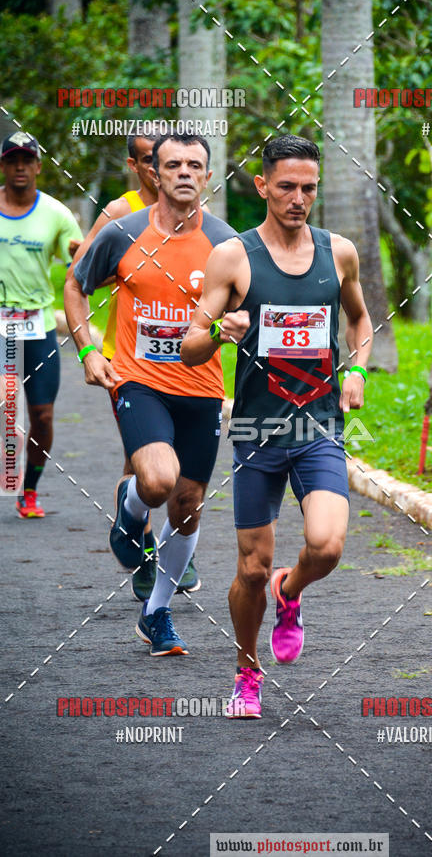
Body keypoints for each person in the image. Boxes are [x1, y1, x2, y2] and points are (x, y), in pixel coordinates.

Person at [181, 133, 373, 718]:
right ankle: (246, 668)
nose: (297, 198)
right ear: (262, 185)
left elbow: (361, 321)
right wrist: (220, 332)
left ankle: (291, 593)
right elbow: (189, 345)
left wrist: (358, 369)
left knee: (328, 544)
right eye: (286, 186)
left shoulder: (338, 252)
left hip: (319, 425)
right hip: (256, 431)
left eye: (308, 188)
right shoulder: (233, 257)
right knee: (250, 568)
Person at [64, 132, 236, 656]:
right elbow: (76, 285)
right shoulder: (123, 232)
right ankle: (133, 501)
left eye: (195, 165)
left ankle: (156, 613)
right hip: (139, 381)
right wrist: (90, 352)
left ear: (208, 177)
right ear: (154, 175)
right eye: (173, 165)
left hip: (203, 389)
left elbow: (255, 311)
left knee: (187, 506)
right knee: (158, 481)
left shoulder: (229, 245)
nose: (185, 172)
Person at [67, 132, 199, 600]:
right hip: (129, 364)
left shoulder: (206, 226)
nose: (157, 169)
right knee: (144, 461)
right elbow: (79, 275)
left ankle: (168, 526)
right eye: (150, 161)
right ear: (142, 166)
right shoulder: (122, 216)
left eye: (190, 164)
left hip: (192, 375)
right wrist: (88, 350)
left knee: (173, 475)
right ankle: (142, 545)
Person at [0, 131, 82, 518]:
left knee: (43, 415)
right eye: (12, 160)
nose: (20, 167)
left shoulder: (56, 214)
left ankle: (28, 490)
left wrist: (81, 261)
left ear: (37, 166)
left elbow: (77, 269)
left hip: (36, 327)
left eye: (26, 160)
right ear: (3, 166)